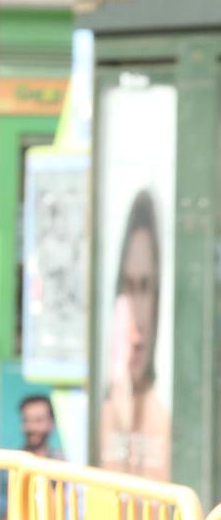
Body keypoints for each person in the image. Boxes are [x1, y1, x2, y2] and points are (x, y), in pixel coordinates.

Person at [99, 190, 170, 481]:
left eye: (145, 287)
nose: (136, 321)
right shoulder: (107, 412)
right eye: (128, 287)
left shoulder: (161, 419)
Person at [20, 394, 62, 460]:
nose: (32, 427)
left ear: (52, 424)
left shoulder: (63, 462)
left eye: (38, 420)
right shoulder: (11, 461)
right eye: (26, 420)